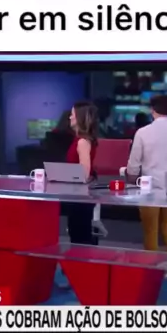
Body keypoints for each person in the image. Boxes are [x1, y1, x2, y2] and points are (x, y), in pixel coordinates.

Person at [126, 94, 167, 252]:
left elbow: (134, 164)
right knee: (166, 224)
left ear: (152, 110)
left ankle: (151, 263)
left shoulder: (143, 132)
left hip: (149, 187)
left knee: (150, 229)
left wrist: (131, 178)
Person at [64, 101, 99, 245]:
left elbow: (84, 173)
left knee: (80, 237)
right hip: (77, 195)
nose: (70, 117)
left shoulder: (82, 142)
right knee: (78, 234)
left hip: (80, 196)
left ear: (79, 117)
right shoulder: (79, 140)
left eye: (72, 114)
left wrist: (64, 176)